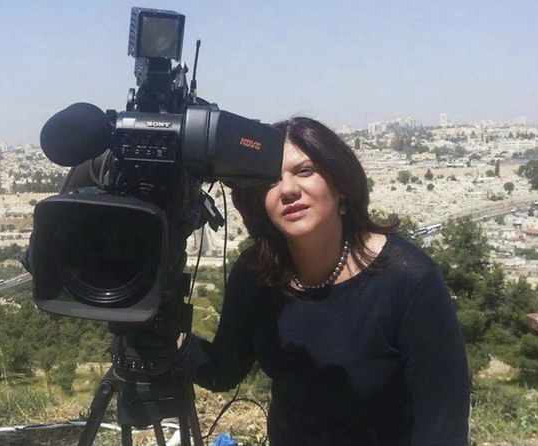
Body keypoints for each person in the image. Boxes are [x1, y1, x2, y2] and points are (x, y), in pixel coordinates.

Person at [177, 117, 470, 445]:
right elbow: (223, 370)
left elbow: (443, 424)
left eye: (305, 171)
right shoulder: (256, 274)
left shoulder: (408, 279)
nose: (287, 190)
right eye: (271, 180)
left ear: (340, 183)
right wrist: (161, 334)